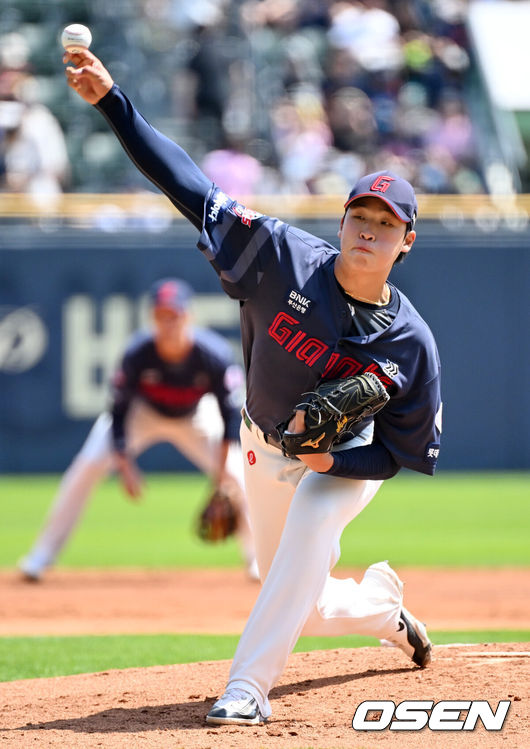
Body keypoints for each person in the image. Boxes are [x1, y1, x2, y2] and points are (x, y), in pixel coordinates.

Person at [61, 49, 442, 726]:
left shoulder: (410, 344)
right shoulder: (278, 257)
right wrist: (112, 101)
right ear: (343, 219)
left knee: (314, 520)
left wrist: (337, 461)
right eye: (362, 215)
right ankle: (385, 610)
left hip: (344, 459)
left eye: (386, 224)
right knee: (303, 593)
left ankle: (247, 688)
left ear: (406, 242)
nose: (369, 230)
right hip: (262, 442)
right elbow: (189, 188)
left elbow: (400, 453)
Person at [19, 277, 258, 582]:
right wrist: (124, 463)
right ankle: (41, 556)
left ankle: (256, 559)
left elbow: (229, 417)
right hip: (141, 414)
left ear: (189, 316)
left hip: (196, 415)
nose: (169, 322)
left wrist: (220, 473)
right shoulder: (138, 352)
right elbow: (118, 412)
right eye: (162, 315)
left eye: (175, 315)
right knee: (86, 466)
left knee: (239, 475)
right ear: (152, 318)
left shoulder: (213, 354)